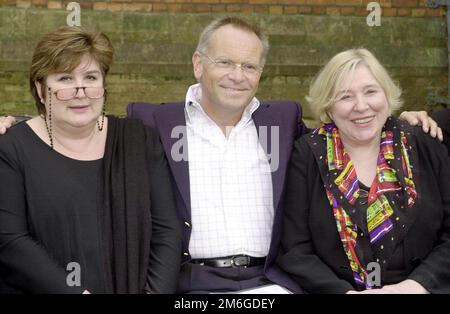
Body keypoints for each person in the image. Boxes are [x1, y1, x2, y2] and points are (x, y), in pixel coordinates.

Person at [0, 18, 440, 294]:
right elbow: (83, 117)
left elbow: (349, 127)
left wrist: (403, 120)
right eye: (224, 62)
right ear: (198, 64)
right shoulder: (152, 121)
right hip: (192, 283)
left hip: (271, 282)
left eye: (249, 66)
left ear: (261, 73)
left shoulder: (283, 121)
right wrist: (19, 121)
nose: (237, 75)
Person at [0, 26, 181, 294]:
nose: (80, 91)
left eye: (91, 77)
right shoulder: (11, 147)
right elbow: (11, 240)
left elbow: (167, 231)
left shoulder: (139, 142)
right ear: (40, 89)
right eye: (65, 79)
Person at [277, 48, 450, 294]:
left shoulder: (423, 142)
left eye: (371, 91)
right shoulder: (307, 154)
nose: (361, 106)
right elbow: (294, 249)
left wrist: (416, 286)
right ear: (328, 106)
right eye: (345, 97)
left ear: (387, 96)